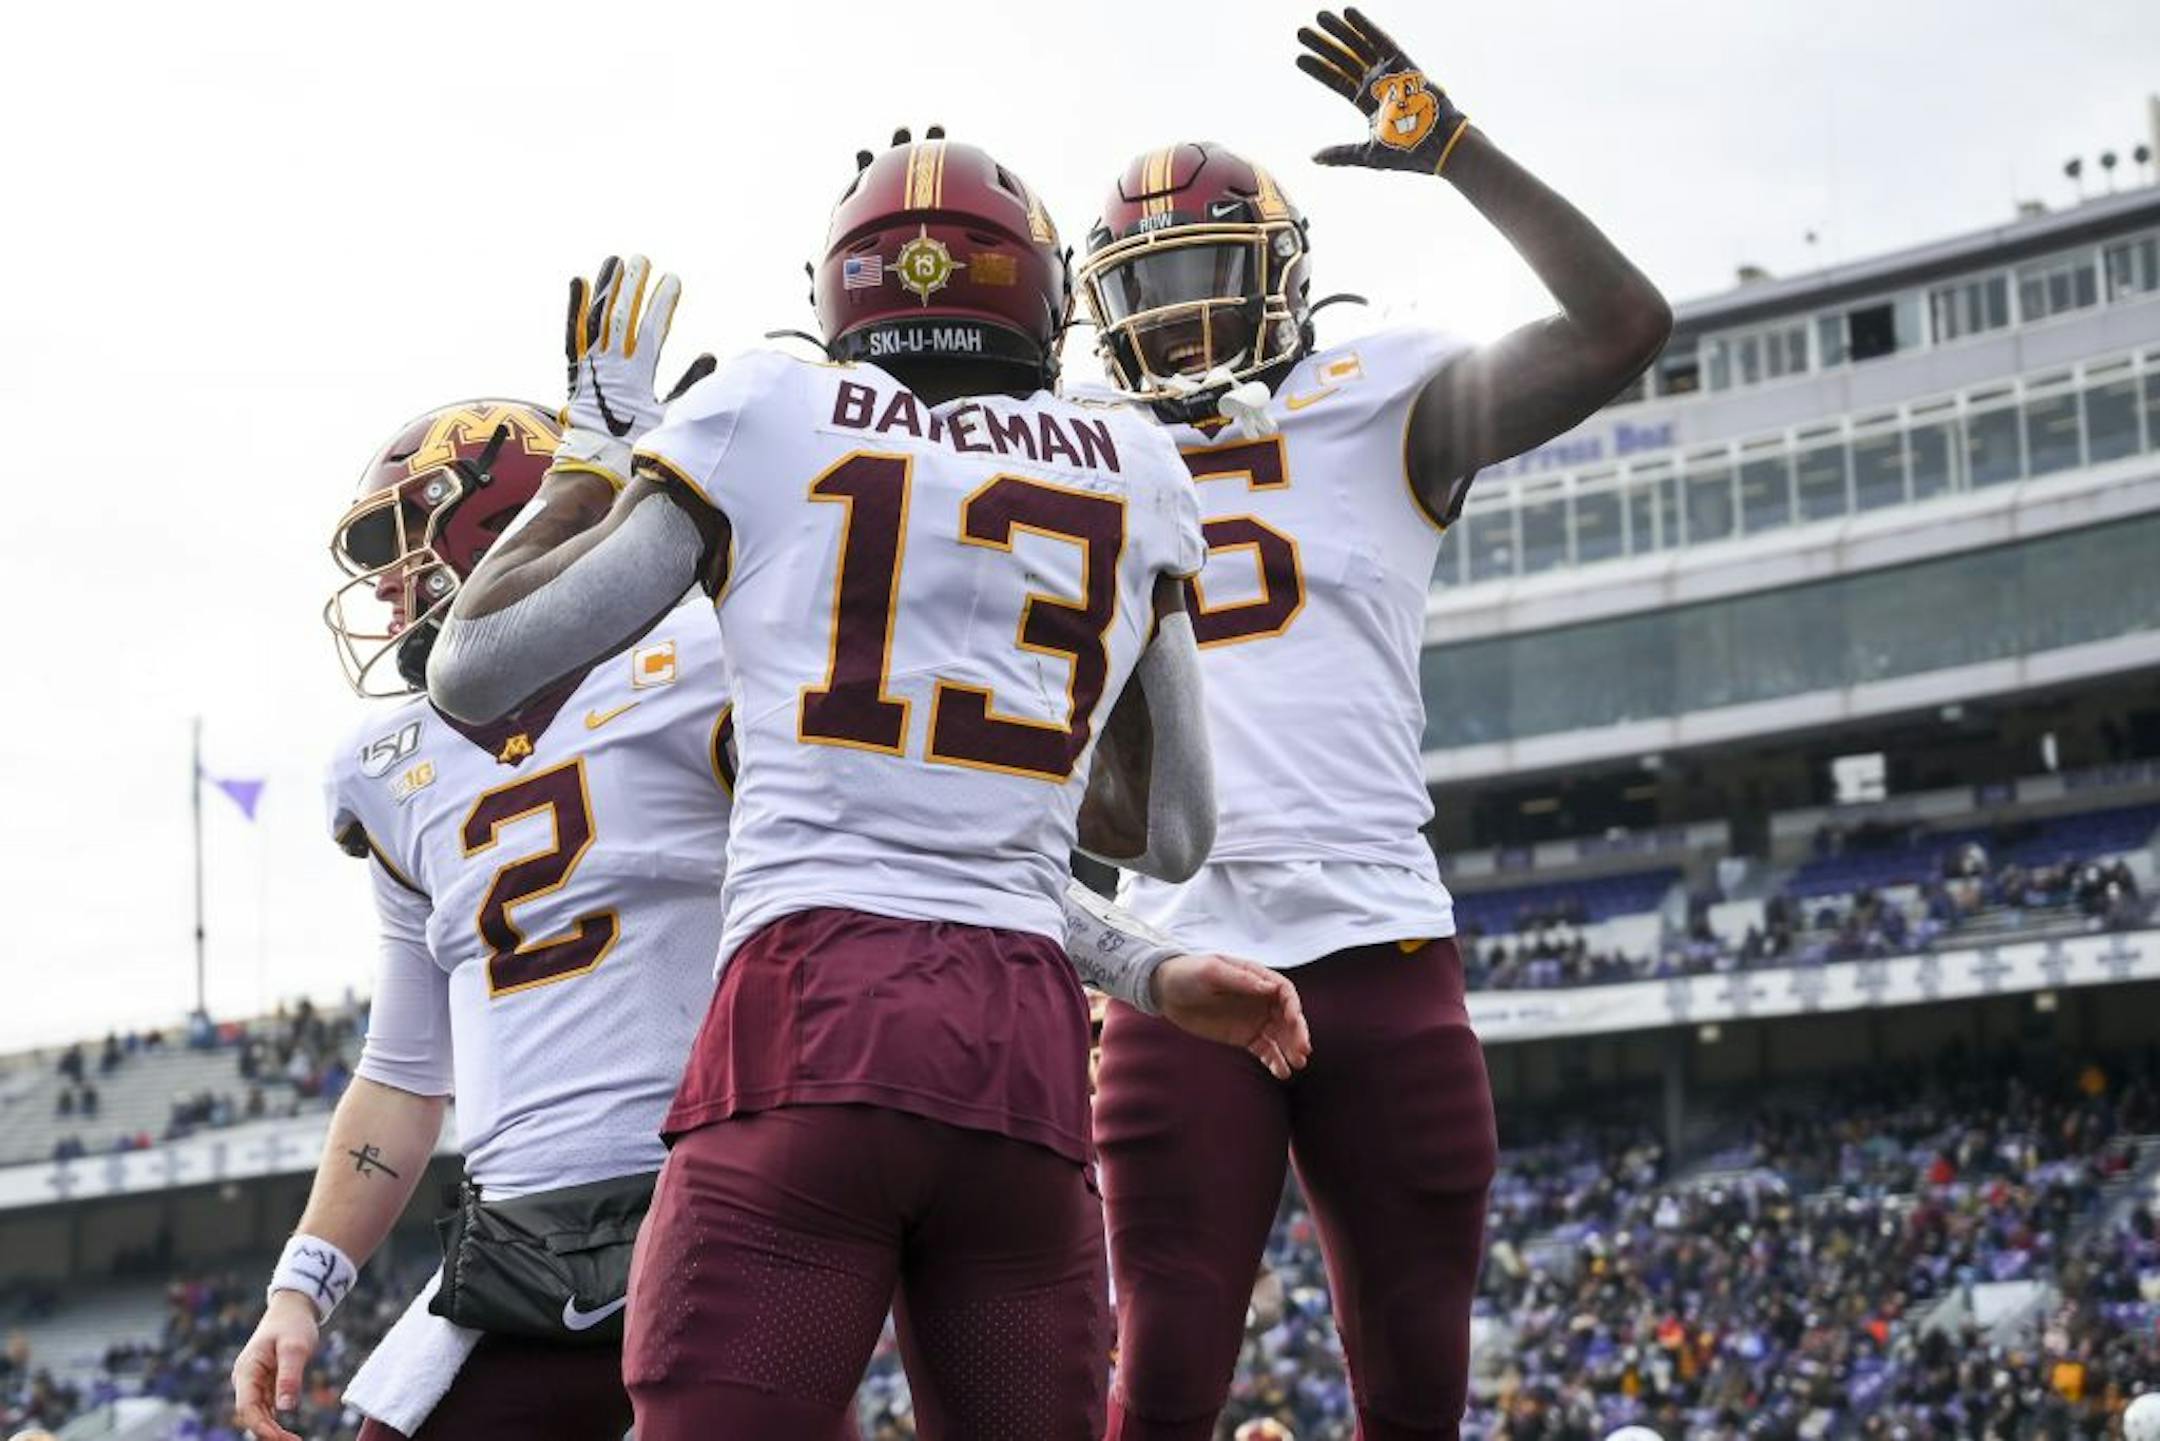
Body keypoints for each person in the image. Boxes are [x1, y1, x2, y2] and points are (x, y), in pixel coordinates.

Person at [426, 135, 1311, 1438]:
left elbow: (476, 669)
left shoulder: (766, 406)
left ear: (841, 290)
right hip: (1020, 1045)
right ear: (1044, 293)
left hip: (805, 1018)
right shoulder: (1131, 459)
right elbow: (1172, 831)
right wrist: (1025, 756)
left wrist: (597, 453)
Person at [1076, 11, 1672, 1439]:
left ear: (1283, 276)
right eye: (1147, 289)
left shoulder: (1387, 396)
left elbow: (1624, 325)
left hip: (1377, 938)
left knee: (1414, 1379)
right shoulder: (1082, 447)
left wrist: (1456, 150)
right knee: (1158, 1374)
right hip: (1176, 952)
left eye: (1212, 275)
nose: (1181, 316)